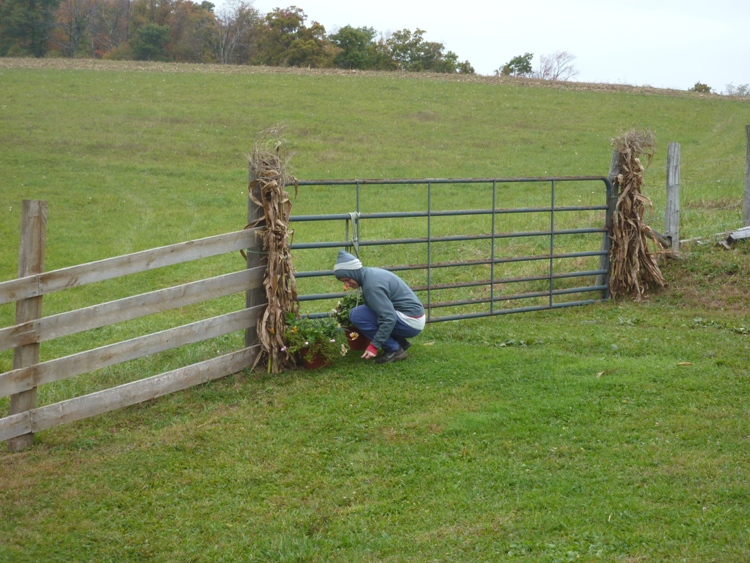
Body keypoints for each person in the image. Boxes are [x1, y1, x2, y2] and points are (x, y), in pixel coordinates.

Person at [333, 250, 425, 364]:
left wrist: (374, 346)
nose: (347, 284)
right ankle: (400, 342)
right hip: (412, 316)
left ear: (354, 273)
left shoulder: (372, 287)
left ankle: (394, 349)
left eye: (348, 279)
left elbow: (389, 317)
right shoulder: (370, 274)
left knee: (358, 316)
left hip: (411, 322)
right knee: (361, 312)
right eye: (343, 281)